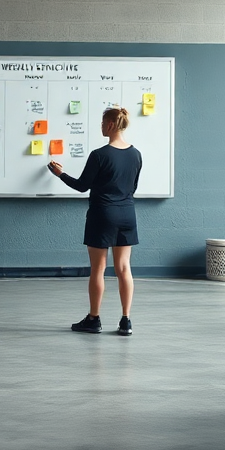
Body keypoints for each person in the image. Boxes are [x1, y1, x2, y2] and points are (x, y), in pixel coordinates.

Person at [48, 106, 142, 335]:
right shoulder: (136, 154)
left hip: (103, 214)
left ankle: (94, 319)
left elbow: (82, 186)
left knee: (98, 269)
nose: (101, 127)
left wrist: (60, 174)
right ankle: (126, 321)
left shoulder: (99, 155)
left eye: (102, 123)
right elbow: (133, 188)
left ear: (110, 124)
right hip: (127, 214)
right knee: (124, 268)